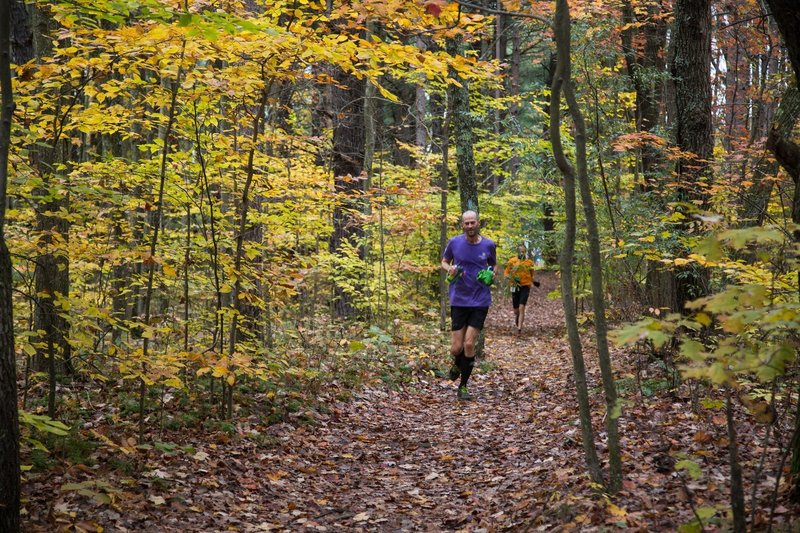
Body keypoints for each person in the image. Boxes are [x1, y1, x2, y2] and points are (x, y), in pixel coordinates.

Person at [441, 210, 497, 400]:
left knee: (469, 344)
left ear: (478, 223)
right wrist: (451, 269)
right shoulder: (454, 242)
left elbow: (493, 265)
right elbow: (444, 262)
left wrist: (491, 274)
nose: (470, 226)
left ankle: (463, 386)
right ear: (462, 225)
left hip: (480, 300)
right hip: (459, 299)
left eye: (473, 223)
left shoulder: (489, 244)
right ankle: (457, 363)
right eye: (467, 223)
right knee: (456, 348)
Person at [504, 244, 539, 333]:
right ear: (517, 252)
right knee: (516, 310)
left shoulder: (529, 262)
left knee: (522, 307)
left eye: (523, 251)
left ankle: (519, 328)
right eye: (520, 251)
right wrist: (512, 278)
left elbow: (531, 274)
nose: (522, 253)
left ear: (525, 252)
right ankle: (517, 316)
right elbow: (506, 273)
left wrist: (534, 282)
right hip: (515, 286)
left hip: (525, 286)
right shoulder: (512, 261)